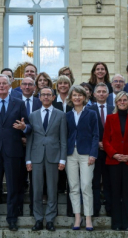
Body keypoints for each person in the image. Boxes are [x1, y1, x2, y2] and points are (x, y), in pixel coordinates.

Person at [0, 74, 31, 232]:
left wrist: (24, 128)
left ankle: (12, 219)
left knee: (13, 186)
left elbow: (28, 127)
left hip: (13, 151)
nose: (2, 86)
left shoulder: (19, 103)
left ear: (10, 86)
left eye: (5, 83)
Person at [26, 87, 67, 232]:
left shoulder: (61, 115)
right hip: (36, 156)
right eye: (43, 95)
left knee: (52, 188)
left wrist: (62, 159)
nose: (46, 97)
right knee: (36, 189)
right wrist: (28, 160)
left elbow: (63, 139)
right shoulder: (33, 115)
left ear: (53, 97)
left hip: (53, 156)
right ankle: (38, 219)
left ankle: (50, 219)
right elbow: (30, 139)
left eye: (48, 95)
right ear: (39, 97)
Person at [103, 91, 128, 231]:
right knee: (115, 192)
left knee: (127, 192)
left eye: (125, 100)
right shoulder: (110, 118)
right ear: (116, 102)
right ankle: (116, 223)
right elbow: (106, 140)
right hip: (113, 161)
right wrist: (114, 154)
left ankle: (127, 223)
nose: (122, 102)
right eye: (120, 100)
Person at [65, 85, 99, 231]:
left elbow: (96, 135)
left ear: (84, 97)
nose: (77, 97)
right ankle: (77, 217)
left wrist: (93, 154)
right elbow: (64, 136)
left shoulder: (91, 114)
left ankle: (89, 217)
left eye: (80, 95)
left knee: (86, 185)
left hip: (86, 154)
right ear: (71, 98)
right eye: (74, 95)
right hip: (70, 154)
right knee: (73, 187)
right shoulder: (67, 115)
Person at [88, 83, 114, 217]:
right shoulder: (89, 110)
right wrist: (97, 143)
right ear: (94, 94)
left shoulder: (114, 108)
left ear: (108, 94)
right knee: (95, 181)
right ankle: (95, 208)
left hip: (111, 152)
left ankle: (110, 208)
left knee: (109, 181)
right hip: (95, 151)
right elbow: (87, 131)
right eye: (99, 92)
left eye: (104, 91)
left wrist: (108, 144)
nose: (102, 94)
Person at [17, 77, 42, 217]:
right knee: (18, 179)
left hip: (36, 146)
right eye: (24, 84)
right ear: (20, 86)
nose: (27, 87)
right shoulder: (14, 102)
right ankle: (19, 208)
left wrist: (29, 136)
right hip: (18, 145)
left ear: (34, 87)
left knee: (35, 180)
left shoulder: (40, 102)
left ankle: (34, 209)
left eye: (30, 85)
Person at [52, 75, 73, 216]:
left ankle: (71, 209)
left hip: (71, 141)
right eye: (61, 83)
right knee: (57, 176)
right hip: (55, 143)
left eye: (66, 83)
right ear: (57, 86)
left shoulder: (74, 101)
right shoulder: (53, 102)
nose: (63, 85)